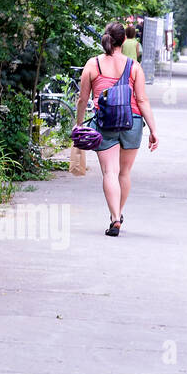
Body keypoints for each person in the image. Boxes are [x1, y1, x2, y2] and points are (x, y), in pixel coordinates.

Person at [75, 21, 159, 237]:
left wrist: (79, 124)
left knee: (109, 172)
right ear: (125, 40)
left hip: (106, 122)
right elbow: (142, 100)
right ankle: (119, 214)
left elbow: (83, 99)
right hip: (132, 121)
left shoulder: (93, 65)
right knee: (125, 172)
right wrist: (153, 129)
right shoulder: (134, 67)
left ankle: (114, 218)